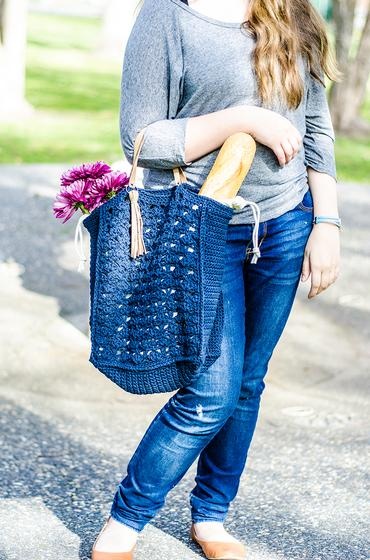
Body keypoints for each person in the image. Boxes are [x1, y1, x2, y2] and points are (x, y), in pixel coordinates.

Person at [91, 0, 341, 558]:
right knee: (211, 390)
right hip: (201, 223)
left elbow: (317, 125)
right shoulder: (167, 17)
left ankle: (211, 517)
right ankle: (126, 519)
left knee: (249, 382)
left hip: (286, 221)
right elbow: (140, 141)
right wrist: (242, 119)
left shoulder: (290, 8)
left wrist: (326, 222)